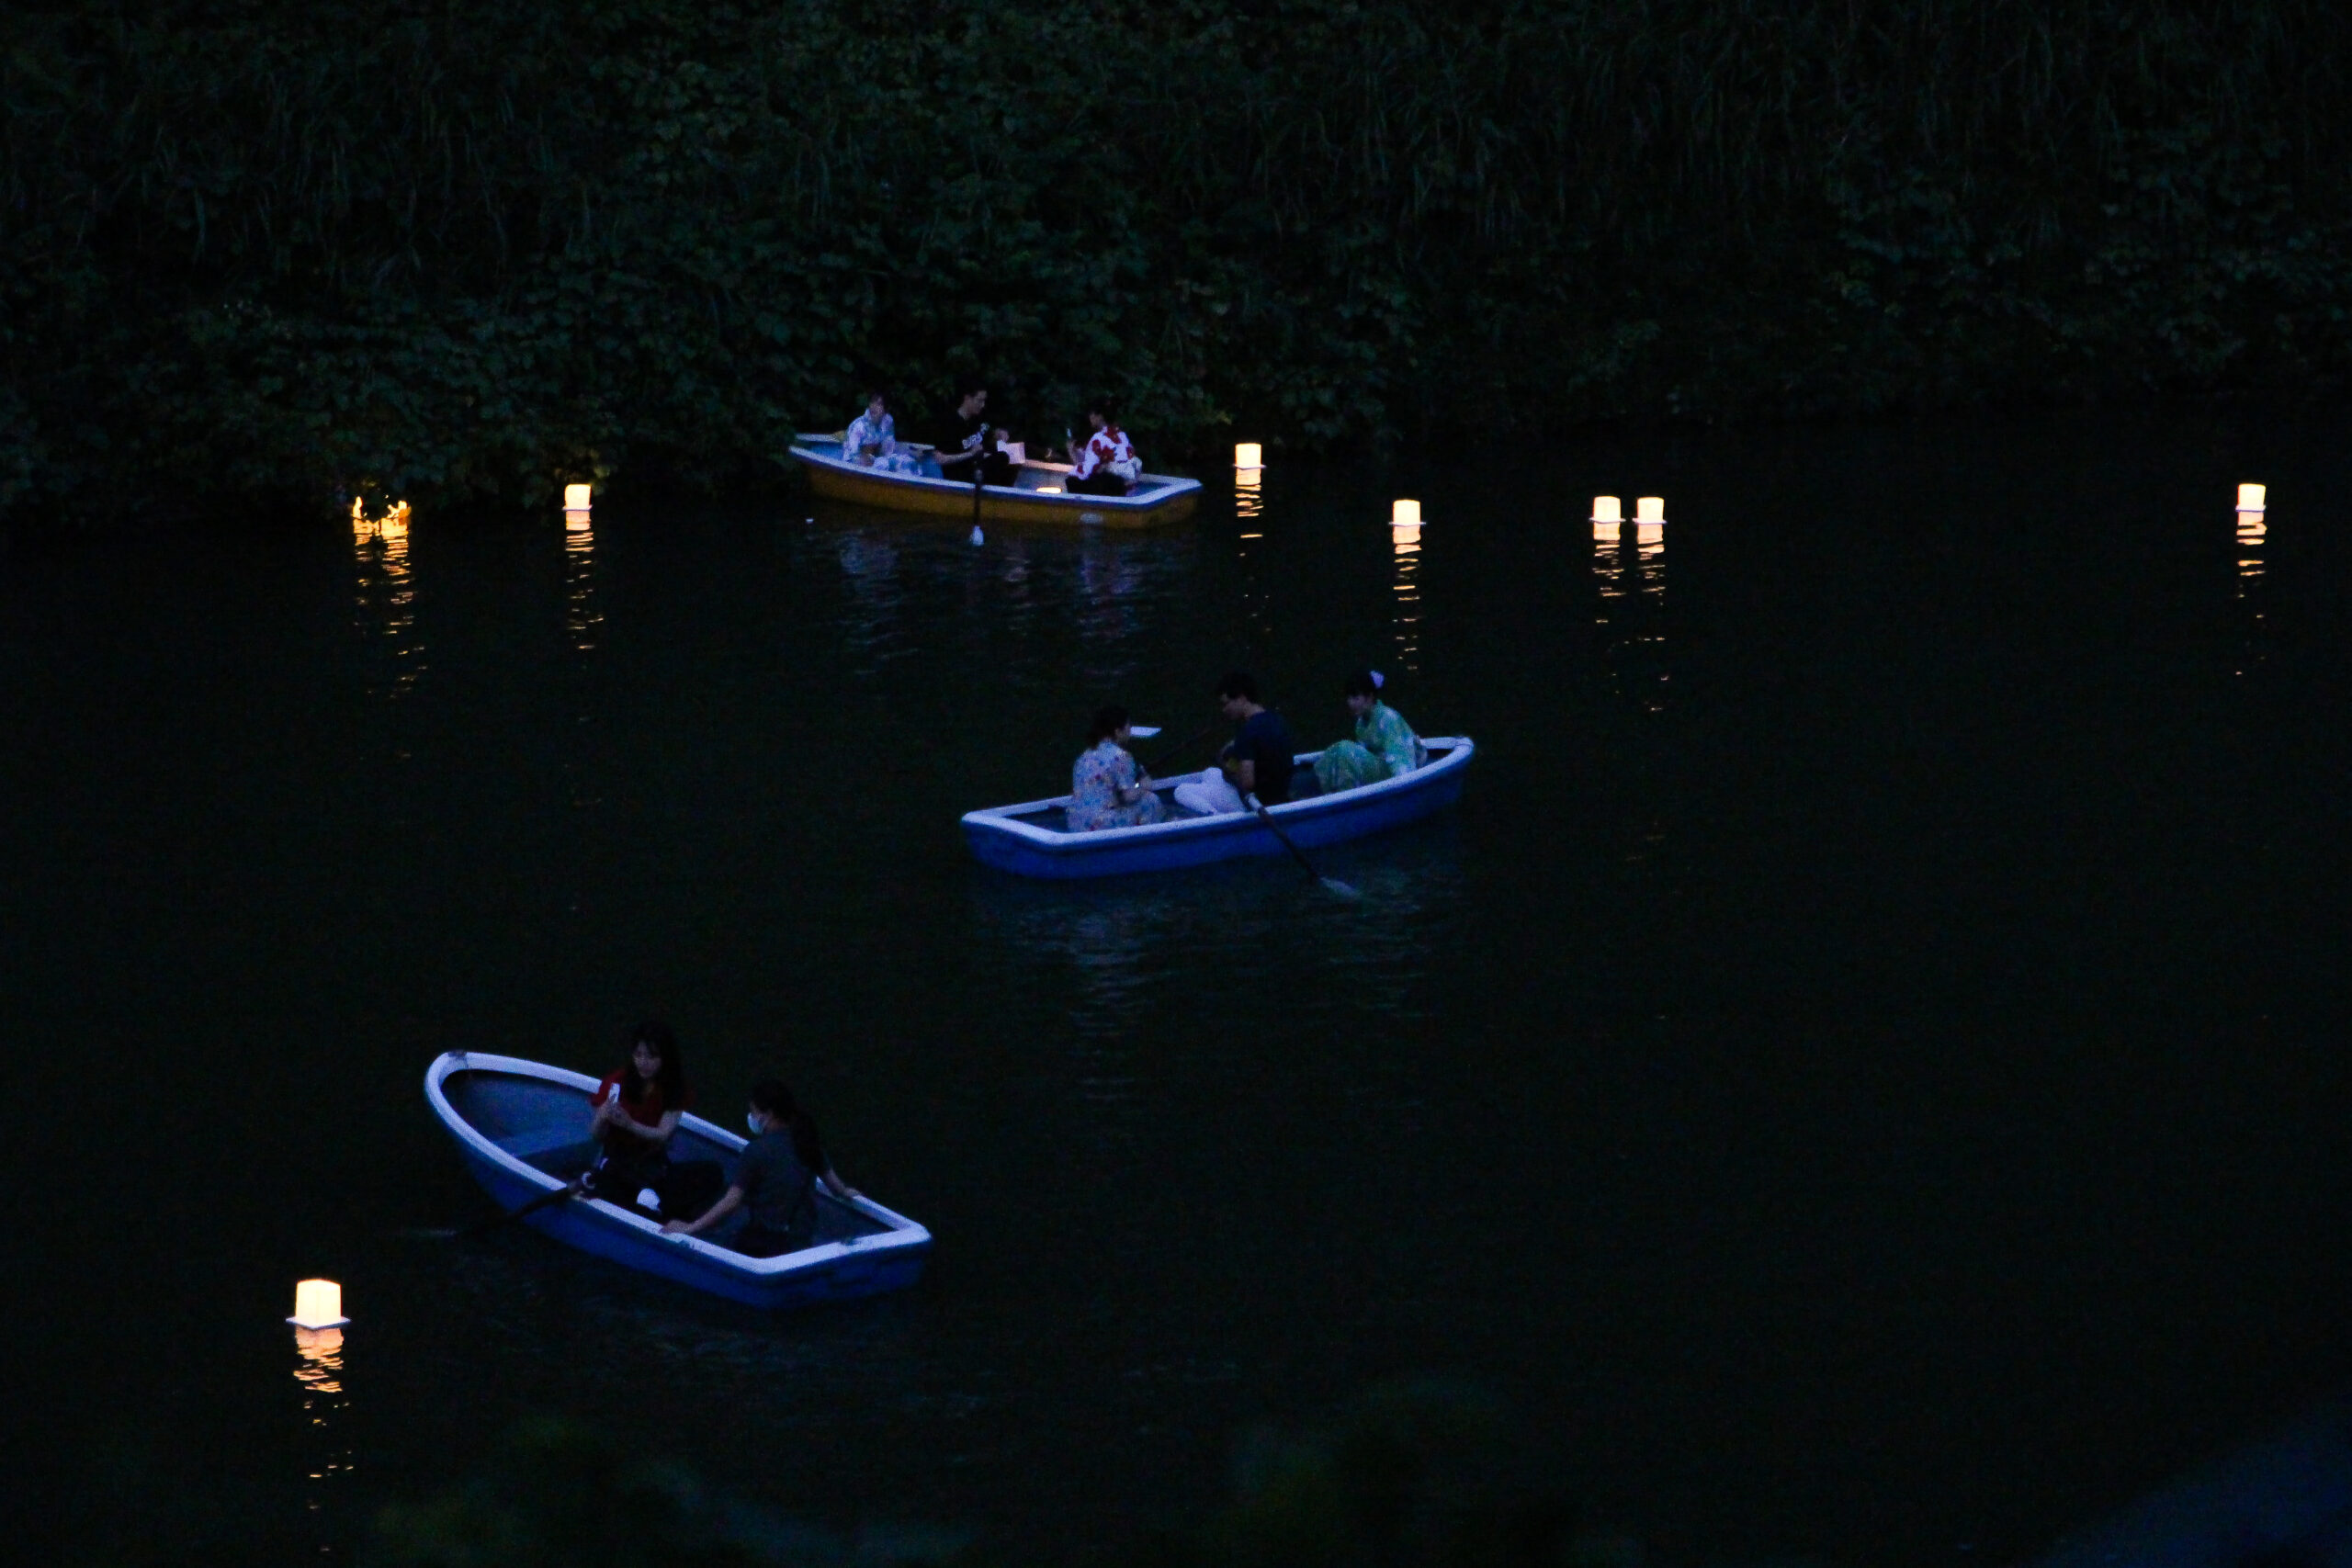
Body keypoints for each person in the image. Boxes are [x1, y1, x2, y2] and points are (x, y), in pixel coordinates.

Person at [662, 1078, 859, 1258]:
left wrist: (691, 1228)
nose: (752, 1117)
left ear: (768, 1114)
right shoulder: (808, 1144)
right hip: (801, 1241)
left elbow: (731, 1201)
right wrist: (849, 1193)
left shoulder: (756, 1151)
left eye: (754, 1112)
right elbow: (837, 1189)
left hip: (768, 1244)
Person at [1172, 671, 1296, 815]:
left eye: (1226, 704)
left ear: (1242, 698)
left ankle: (1216, 817)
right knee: (1209, 773)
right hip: (1279, 792)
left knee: (1181, 791)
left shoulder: (1248, 731)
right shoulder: (1276, 720)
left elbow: (1247, 783)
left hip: (1254, 801)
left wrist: (1228, 772)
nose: (1224, 710)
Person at [1312, 670, 1427, 794]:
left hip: (1397, 770)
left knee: (1344, 749)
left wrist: (1404, 790)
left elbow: (1402, 761)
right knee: (1335, 751)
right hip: (1380, 769)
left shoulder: (1388, 718)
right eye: (1349, 698)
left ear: (1370, 697)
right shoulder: (1360, 724)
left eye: (1355, 697)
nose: (1350, 703)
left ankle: (1346, 795)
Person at [1067, 705, 1168, 831]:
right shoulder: (1121, 756)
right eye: (1128, 726)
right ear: (1117, 732)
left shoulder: (1083, 756)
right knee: (1151, 800)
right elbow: (1129, 796)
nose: (1130, 730)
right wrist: (1144, 786)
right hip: (1100, 824)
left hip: (1075, 821)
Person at [930, 385, 1017, 487]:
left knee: (1013, 456)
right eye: (979, 401)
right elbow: (940, 459)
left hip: (978, 466)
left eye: (984, 401)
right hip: (960, 473)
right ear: (967, 398)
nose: (982, 405)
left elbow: (989, 438)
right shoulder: (949, 423)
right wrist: (971, 454)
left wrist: (999, 435)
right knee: (1001, 459)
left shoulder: (977, 419)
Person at [1064, 400, 1139, 497]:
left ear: (1100, 416)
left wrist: (1071, 453)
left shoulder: (1098, 439)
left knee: (1071, 480)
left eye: (1092, 414)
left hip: (1110, 488)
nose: (1090, 417)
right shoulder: (1122, 435)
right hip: (1126, 486)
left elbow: (1085, 473)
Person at [842, 392, 921, 474]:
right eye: (872, 402)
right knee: (884, 464)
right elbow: (850, 455)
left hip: (878, 459)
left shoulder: (888, 421)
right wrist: (864, 457)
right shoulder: (859, 426)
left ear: (885, 409)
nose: (874, 407)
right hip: (856, 465)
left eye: (879, 404)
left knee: (909, 462)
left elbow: (889, 448)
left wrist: (911, 452)